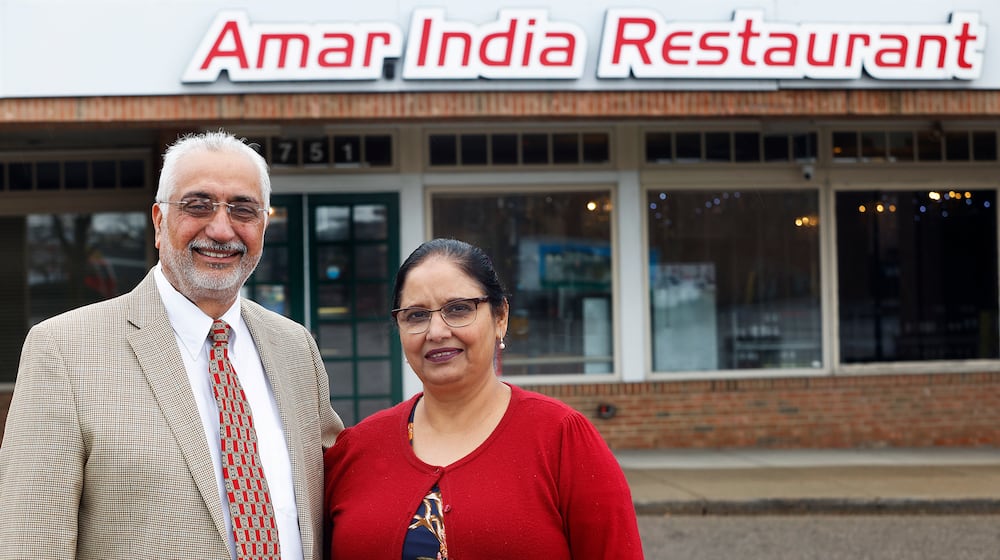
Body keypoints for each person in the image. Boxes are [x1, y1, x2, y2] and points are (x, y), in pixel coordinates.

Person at [0, 130, 344, 560]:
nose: (221, 229)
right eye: (198, 205)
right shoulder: (63, 352)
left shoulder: (295, 348)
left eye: (243, 209)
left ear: (263, 225)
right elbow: (31, 541)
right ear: (159, 222)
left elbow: (346, 493)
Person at [324, 238, 644, 559]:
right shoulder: (356, 451)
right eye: (416, 315)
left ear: (500, 317)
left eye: (459, 309)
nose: (436, 331)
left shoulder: (562, 440)